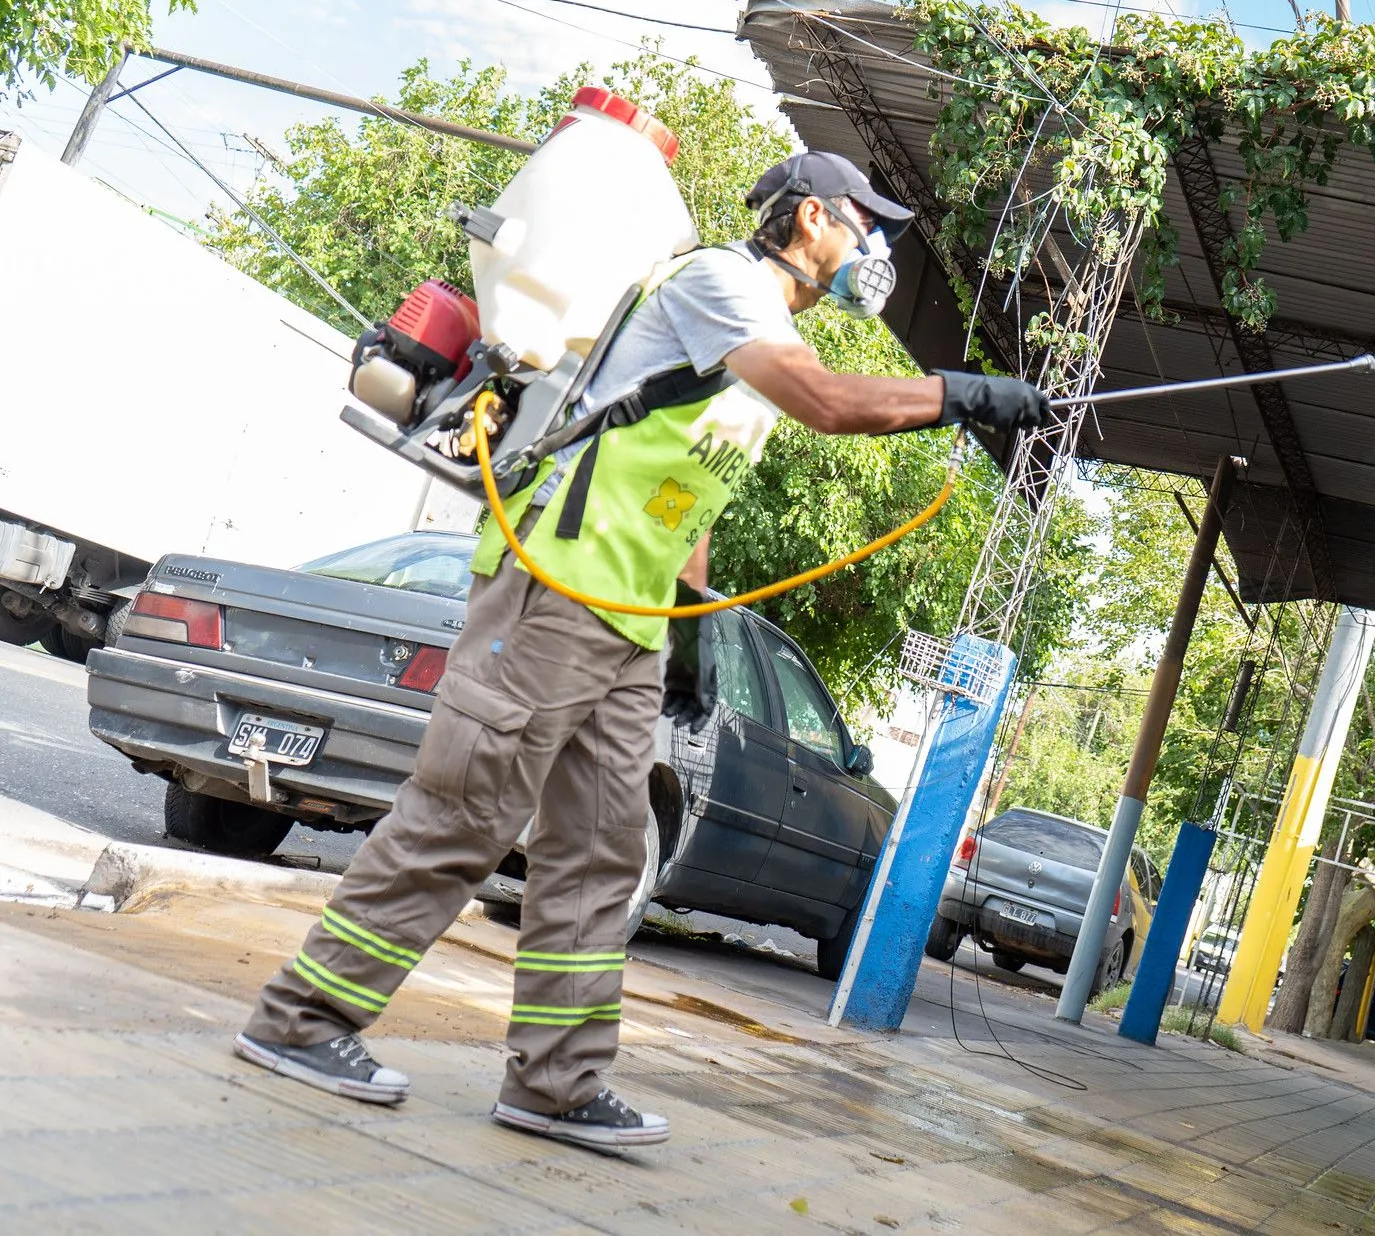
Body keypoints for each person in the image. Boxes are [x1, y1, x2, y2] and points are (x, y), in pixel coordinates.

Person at [234, 151, 1052, 1152]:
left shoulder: (762, 330)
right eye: (860, 222)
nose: (874, 246)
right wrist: (957, 395)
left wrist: (690, 625)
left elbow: (685, 492)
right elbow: (826, 402)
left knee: (599, 853)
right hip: (558, 585)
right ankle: (301, 1020)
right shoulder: (720, 284)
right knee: (468, 810)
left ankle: (556, 1084)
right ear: (805, 220)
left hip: (627, 620)